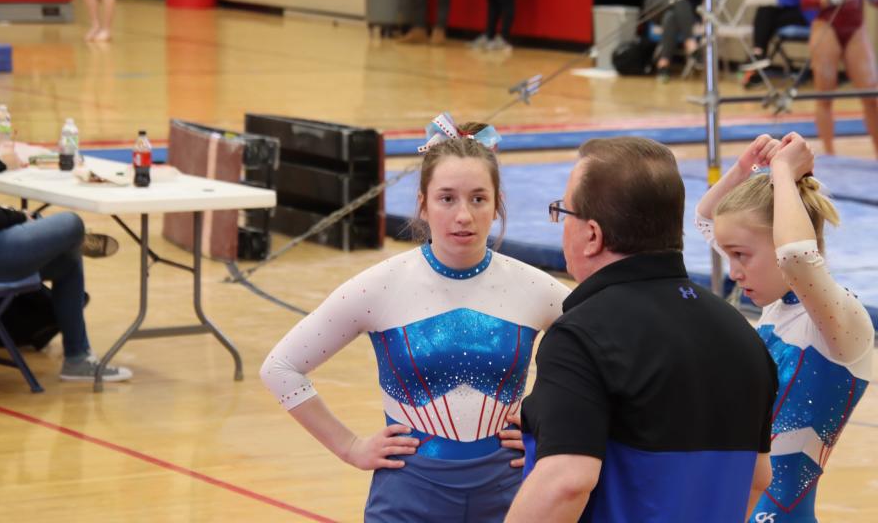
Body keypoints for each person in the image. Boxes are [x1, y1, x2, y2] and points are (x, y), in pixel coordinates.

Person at [260, 114, 569, 521]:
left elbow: (606, 361)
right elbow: (281, 368)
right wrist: (350, 447)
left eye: (478, 199)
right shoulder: (381, 286)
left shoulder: (536, 288)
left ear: (496, 206)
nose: (463, 215)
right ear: (422, 204)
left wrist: (547, 426)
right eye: (447, 198)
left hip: (510, 499)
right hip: (407, 499)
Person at [509, 137, 777, 522]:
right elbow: (757, 478)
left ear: (592, 235)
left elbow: (565, 482)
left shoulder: (580, 337)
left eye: (564, 212)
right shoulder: (743, 336)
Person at [695, 132, 873, 523]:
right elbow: (706, 218)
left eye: (741, 255)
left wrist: (782, 170)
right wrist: (746, 169)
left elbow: (795, 255)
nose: (734, 272)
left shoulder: (839, 324)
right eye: (729, 256)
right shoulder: (779, 307)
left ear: (778, 243)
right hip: (732, 504)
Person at [0, 66, 131, 383]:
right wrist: (16, 216)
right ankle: (61, 235)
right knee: (70, 223)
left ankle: (77, 357)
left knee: (66, 260)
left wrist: (8, 213)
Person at [801, 0, 878, 157]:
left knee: (872, 95)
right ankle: (830, 154)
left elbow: (876, 2)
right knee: (826, 94)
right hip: (827, 27)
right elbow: (806, 0)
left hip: (855, 28)